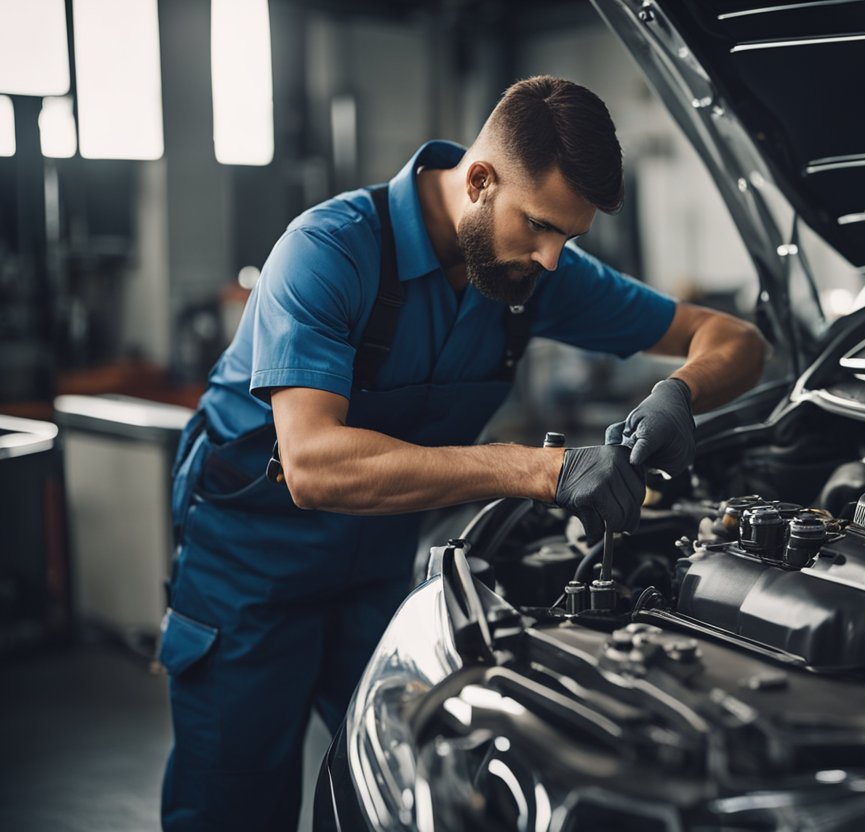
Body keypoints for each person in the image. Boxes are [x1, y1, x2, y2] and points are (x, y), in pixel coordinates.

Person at [159, 75, 766, 830]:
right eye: (540, 226)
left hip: (378, 576)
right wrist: (542, 471)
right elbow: (314, 465)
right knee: (234, 811)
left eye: (566, 239)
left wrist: (679, 389)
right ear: (479, 180)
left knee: (411, 797)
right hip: (248, 581)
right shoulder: (327, 252)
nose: (550, 260)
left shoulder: (530, 275)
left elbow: (736, 339)